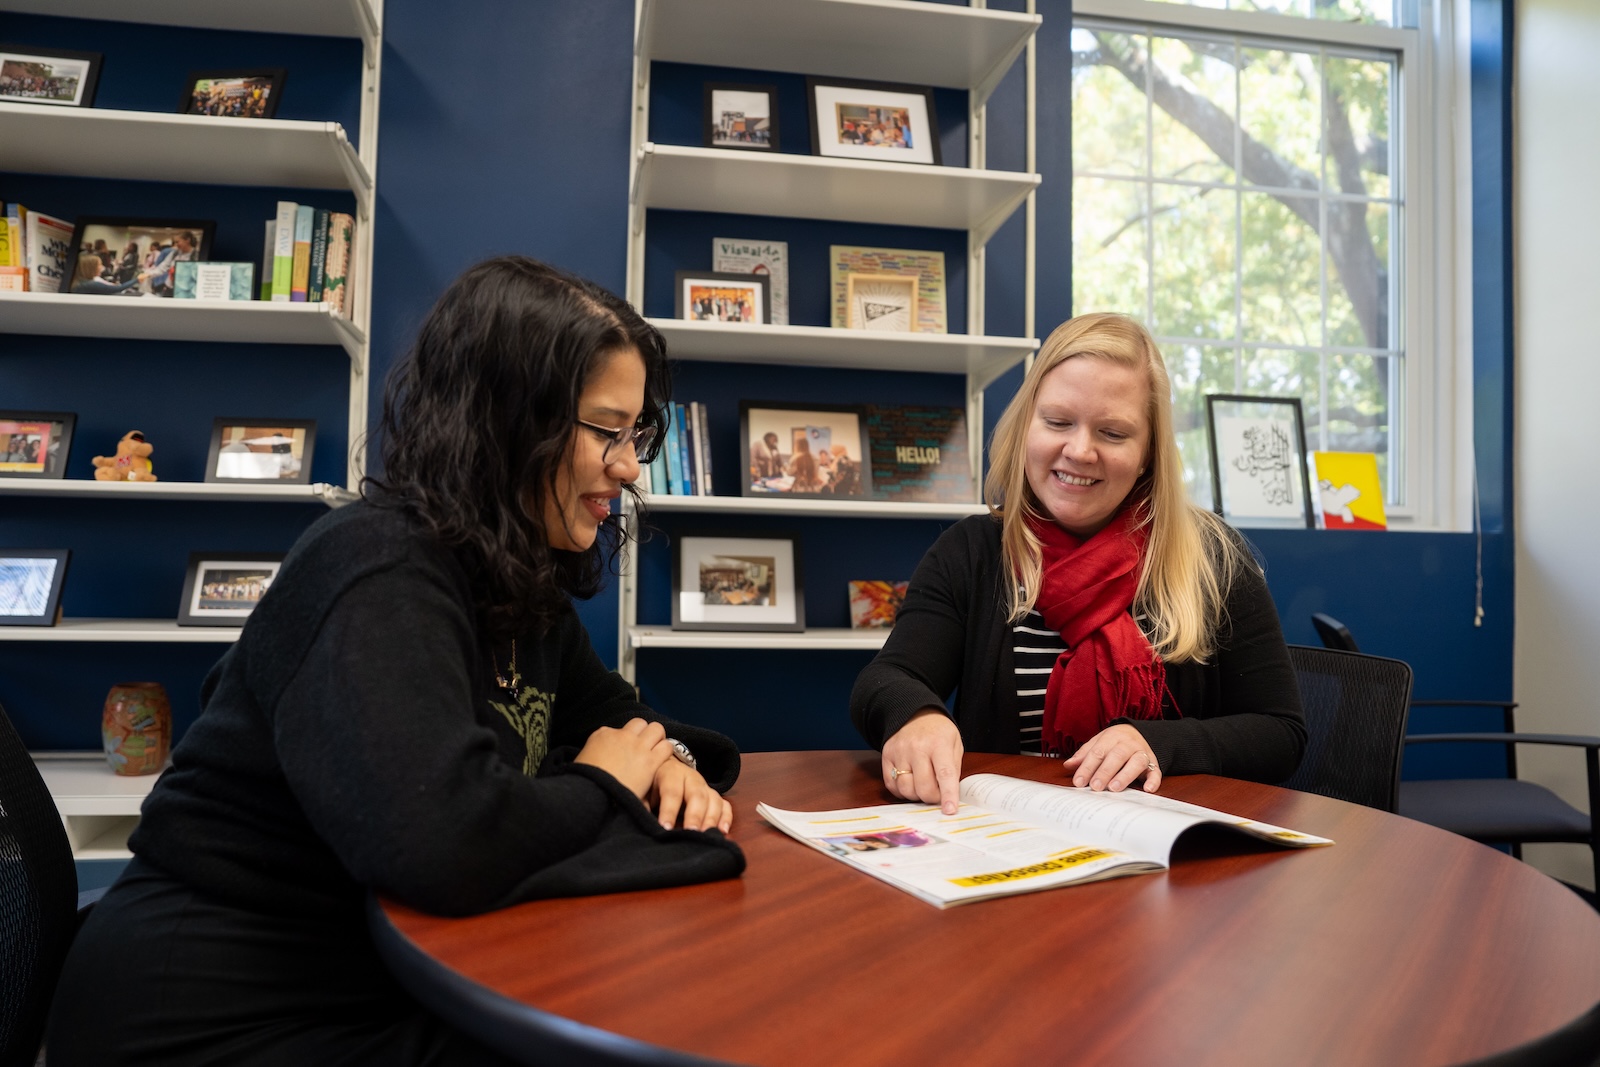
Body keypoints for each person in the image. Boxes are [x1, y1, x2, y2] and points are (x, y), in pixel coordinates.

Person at [47, 256, 744, 1065]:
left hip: (365, 977)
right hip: (210, 1012)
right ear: (511, 420)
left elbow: (624, 720)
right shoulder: (378, 569)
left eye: (638, 435)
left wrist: (670, 760)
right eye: (607, 432)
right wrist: (604, 784)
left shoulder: (521, 586)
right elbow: (440, 844)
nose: (630, 466)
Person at [850, 312, 1305, 814]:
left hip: (1167, 857)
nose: (1079, 450)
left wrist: (1162, 744)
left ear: (1149, 451)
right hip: (1006, 838)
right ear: (1028, 425)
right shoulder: (973, 551)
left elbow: (1280, 733)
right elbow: (886, 679)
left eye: (1112, 433)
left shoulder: (1214, 558)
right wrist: (915, 715)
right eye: (1058, 422)